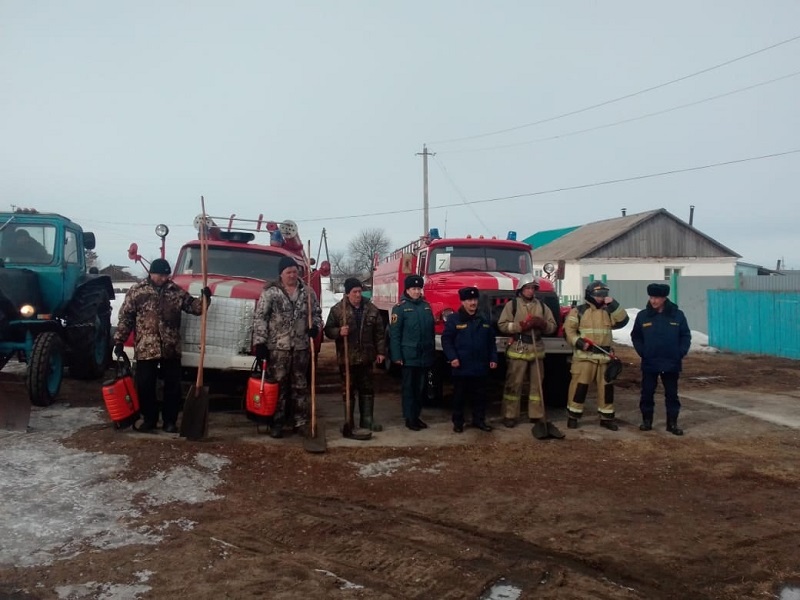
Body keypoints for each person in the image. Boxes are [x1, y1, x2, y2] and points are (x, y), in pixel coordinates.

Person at [113, 258, 211, 433]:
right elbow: (126, 318)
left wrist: (205, 298)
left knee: (172, 387)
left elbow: (195, 308)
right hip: (146, 347)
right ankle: (149, 419)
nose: (164, 278)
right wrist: (119, 340)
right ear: (152, 273)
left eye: (166, 274)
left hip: (170, 347)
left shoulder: (175, 291)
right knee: (145, 385)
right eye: (161, 275)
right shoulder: (137, 291)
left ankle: (170, 421)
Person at [253, 255, 323, 439]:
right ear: (281, 274)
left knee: (300, 386)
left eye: (295, 271)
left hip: (300, 347)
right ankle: (277, 422)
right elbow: (261, 317)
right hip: (278, 347)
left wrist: (315, 327)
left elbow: (316, 314)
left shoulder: (307, 292)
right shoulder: (271, 292)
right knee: (278, 386)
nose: (292, 275)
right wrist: (260, 342)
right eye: (288, 272)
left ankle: (300, 422)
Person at [496, 274, 563, 439]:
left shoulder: (542, 306)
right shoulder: (512, 306)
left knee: (536, 385)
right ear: (521, 289)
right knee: (514, 384)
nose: (530, 290)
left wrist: (543, 324)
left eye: (533, 288)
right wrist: (520, 326)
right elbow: (502, 325)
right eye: (527, 288)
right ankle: (510, 415)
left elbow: (553, 326)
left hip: (536, 349)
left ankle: (536, 414)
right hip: (519, 347)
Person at [563, 280, 629, 431]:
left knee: (606, 390)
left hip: (605, 359)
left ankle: (606, 418)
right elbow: (568, 331)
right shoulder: (578, 311)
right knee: (579, 388)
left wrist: (614, 304)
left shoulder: (608, 311)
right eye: (598, 294)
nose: (601, 297)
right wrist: (579, 342)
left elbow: (623, 320)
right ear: (590, 295)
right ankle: (573, 416)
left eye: (604, 294)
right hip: (584, 357)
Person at [324, 277, 386, 436]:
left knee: (367, 389)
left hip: (366, 357)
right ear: (347, 293)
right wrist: (338, 332)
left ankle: (367, 419)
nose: (358, 294)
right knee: (348, 390)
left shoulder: (371, 309)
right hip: (347, 358)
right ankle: (348, 421)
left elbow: (379, 333)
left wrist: (380, 352)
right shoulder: (338, 310)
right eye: (354, 292)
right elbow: (328, 329)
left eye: (359, 291)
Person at [631, 283, 692, 435]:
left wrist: (680, 352)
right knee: (647, 393)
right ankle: (647, 421)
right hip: (650, 362)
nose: (653, 301)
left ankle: (672, 424)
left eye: (657, 298)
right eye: (651, 297)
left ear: (664, 298)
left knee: (671, 394)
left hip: (671, 362)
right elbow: (636, 336)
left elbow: (685, 336)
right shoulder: (643, 316)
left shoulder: (677, 315)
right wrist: (643, 352)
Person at [441, 286, 497, 433]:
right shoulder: (454, 319)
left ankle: (479, 420)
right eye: (469, 300)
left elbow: (491, 341)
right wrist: (452, 357)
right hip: (462, 365)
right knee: (459, 396)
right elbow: (446, 340)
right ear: (463, 302)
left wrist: (493, 358)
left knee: (480, 396)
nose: (473, 302)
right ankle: (458, 422)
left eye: (474, 299)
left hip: (480, 365)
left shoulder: (484, 318)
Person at [389, 274, 435, 431]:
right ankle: (409, 418)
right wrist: (396, 356)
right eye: (413, 289)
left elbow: (431, 332)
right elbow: (395, 335)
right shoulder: (400, 308)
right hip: (408, 356)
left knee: (420, 388)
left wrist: (431, 353)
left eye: (418, 288)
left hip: (424, 355)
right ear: (407, 290)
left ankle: (417, 415)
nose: (416, 291)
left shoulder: (426, 307)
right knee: (409, 388)